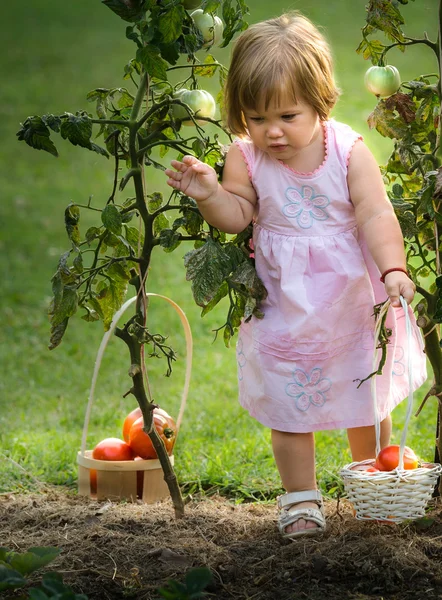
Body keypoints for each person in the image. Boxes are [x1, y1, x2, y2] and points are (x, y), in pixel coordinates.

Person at [165, 12, 427, 539]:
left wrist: (394, 268)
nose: (272, 131)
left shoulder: (348, 151)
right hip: (286, 305)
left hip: (353, 301)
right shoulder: (246, 157)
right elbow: (238, 214)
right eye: (256, 118)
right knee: (288, 405)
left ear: (320, 102)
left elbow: (377, 214)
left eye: (287, 115)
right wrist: (212, 194)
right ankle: (301, 498)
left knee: (367, 395)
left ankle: (373, 482)